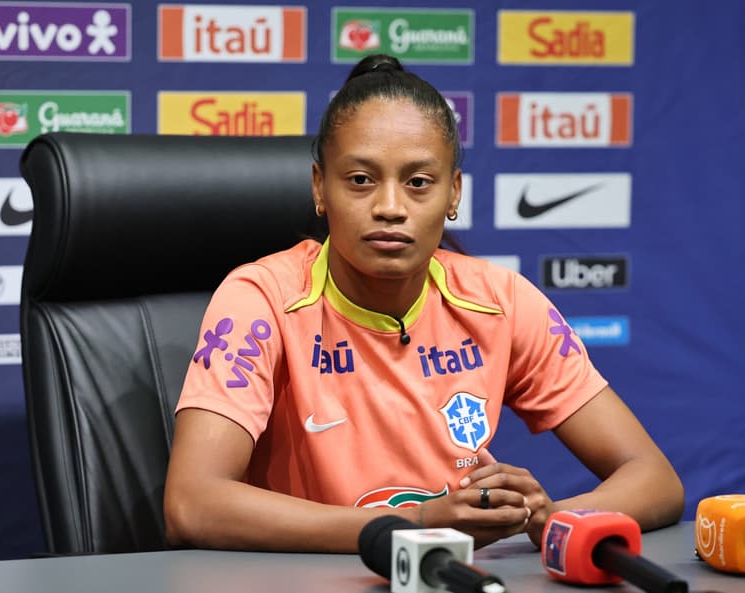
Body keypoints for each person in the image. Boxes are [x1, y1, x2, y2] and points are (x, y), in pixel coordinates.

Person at [163, 54, 684, 553]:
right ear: (320, 188)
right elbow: (193, 503)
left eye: (418, 183)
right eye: (361, 180)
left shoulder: (502, 302)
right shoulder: (261, 299)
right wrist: (414, 524)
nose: (390, 207)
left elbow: (654, 479)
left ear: (453, 194)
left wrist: (550, 519)